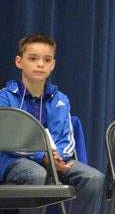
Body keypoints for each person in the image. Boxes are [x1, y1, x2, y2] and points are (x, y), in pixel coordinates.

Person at [0, 34, 105, 213]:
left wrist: (57, 158)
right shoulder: (5, 97)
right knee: (36, 174)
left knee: (94, 178)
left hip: (54, 161)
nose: (40, 64)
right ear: (19, 62)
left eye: (46, 60)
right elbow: (10, 141)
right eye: (33, 58)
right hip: (13, 160)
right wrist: (43, 157)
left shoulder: (61, 99)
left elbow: (66, 139)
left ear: (52, 65)